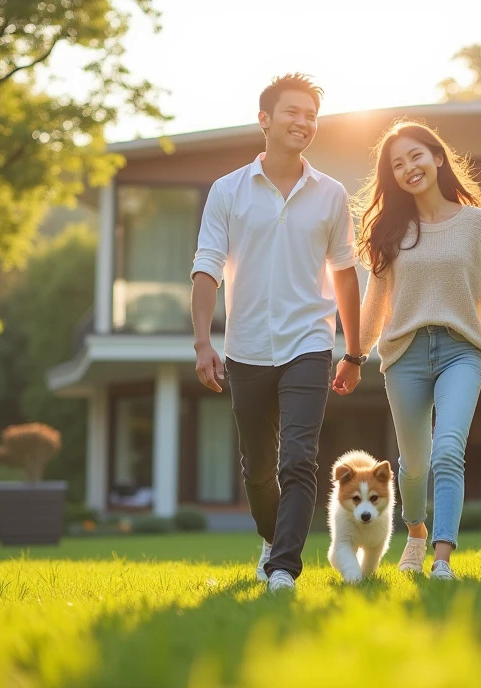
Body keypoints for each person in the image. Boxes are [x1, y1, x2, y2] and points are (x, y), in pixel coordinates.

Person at [190, 74, 363, 593]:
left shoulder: (331, 195)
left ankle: (284, 567)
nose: (303, 123)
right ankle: (271, 538)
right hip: (245, 347)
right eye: (293, 112)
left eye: (311, 115)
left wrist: (352, 352)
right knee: (258, 467)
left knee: (300, 458)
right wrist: (203, 342)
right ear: (264, 119)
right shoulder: (228, 191)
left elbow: (345, 274)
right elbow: (206, 267)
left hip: (310, 342)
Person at [355, 120, 481, 580]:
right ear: (392, 177)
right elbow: (375, 301)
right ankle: (415, 533)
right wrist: (354, 354)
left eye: (415, 156)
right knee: (412, 465)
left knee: (448, 449)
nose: (409, 168)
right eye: (397, 164)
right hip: (405, 353)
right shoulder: (391, 230)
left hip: (461, 350)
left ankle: (442, 559)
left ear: (436, 157)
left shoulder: (475, 223)